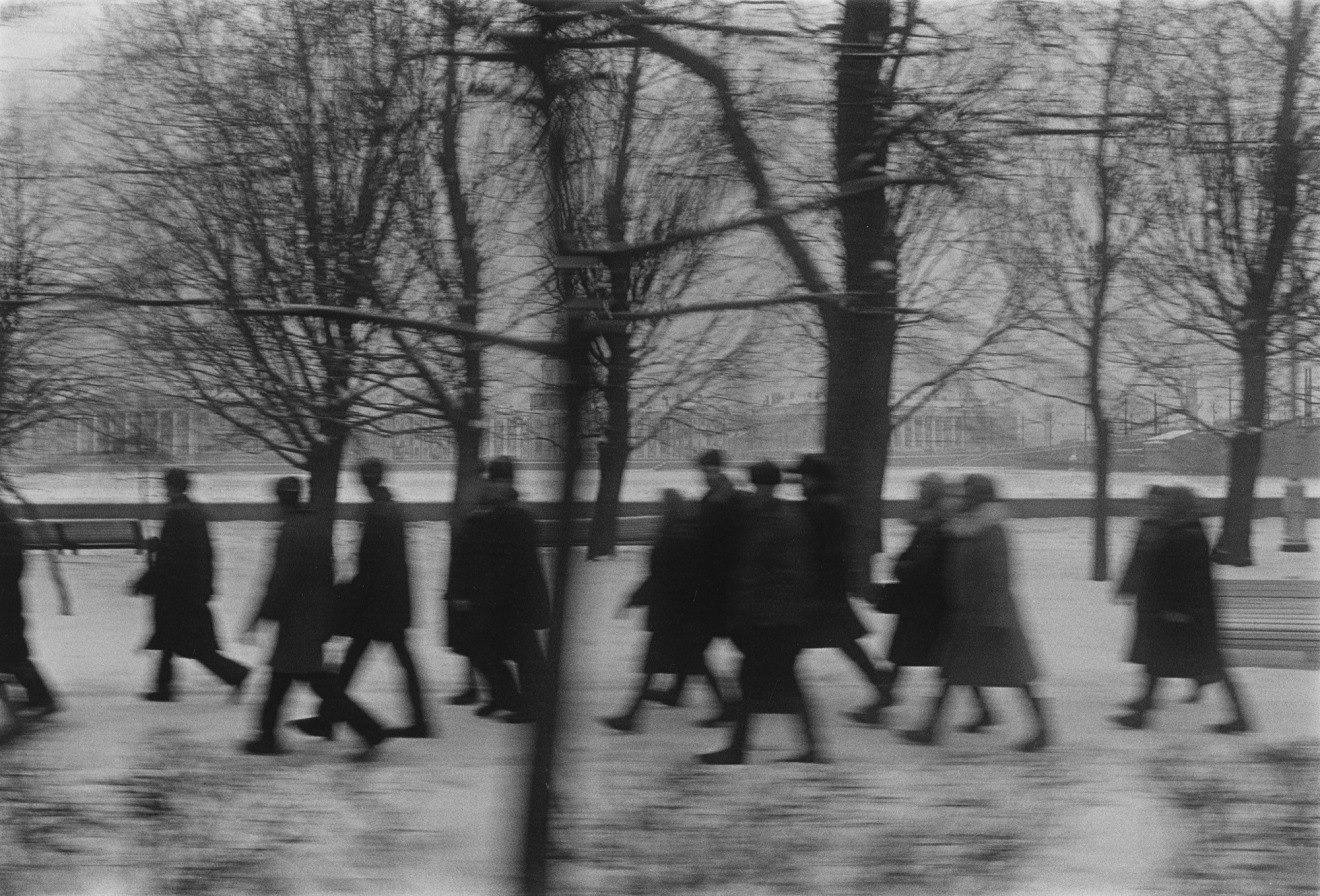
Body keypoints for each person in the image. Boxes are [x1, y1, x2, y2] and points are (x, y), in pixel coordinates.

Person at [901, 474, 1049, 752]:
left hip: (989, 617)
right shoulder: (964, 527)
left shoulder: (991, 530)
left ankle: (1043, 731)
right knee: (952, 673)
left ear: (982, 498)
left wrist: (993, 614)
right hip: (967, 615)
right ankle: (933, 728)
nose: (963, 498)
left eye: (970, 493)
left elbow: (998, 576)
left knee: (1016, 677)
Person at [243, 476, 387, 759]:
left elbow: (281, 579)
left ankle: (269, 738)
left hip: (296, 621)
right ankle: (368, 730)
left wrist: (264, 614)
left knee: (296, 680)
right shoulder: (316, 526)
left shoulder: (291, 531)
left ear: (281, 500)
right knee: (302, 680)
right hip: (313, 617)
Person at [292, 459, 431, 740]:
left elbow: (373, 563)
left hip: (378, 604)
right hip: (387, 601)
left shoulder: (378, 513)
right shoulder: (388, 509)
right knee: (372, 661)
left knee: (358, 661)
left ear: (365, 479)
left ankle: (330, 719)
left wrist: (352, 590)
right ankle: (330, 719)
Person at [699, 460, 822, 765]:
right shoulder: (779, 515)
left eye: (759, 485)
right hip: (773, 615)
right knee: (780, 682)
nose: (758, 491)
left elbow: (776, 570)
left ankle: (739, 749)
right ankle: (810, 748)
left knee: (754, 680)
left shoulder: (771, 519)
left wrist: (761, 607)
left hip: (772, 617)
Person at [1111, 486, 1250, 733]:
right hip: (1189, 615)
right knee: (1161, 662)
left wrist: (1179, 610)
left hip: (1189, 617)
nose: (1164, 508)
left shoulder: (1187, 535)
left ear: (1178, 508)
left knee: (1205, 666)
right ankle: (1143, 713)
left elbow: (1189, 579)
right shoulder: (1185, 531)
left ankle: (1241, 718)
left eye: (1170, 505)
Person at [872, 473, 992, 727]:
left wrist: (900, 567)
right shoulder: (936, 520)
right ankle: (982, 709)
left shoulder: (931, 523)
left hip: (924, 603)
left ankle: (883, 704)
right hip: (930, 602)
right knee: (932, 659)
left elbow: (923, 563)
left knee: (909, 656)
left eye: (922, 490)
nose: (918, 494)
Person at [443, 457, 549, 724]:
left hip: (513, 598)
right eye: (497, 481)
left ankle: (530, 704)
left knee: (522, 653)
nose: (499, 486)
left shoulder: (515, 515)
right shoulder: (491, 514)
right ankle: (509, 697)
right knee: (486, 648)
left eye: (504, 481)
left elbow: (524, 563)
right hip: (496, 597)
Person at [790, 454, 893, 725]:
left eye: (805, 477)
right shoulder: (827, 504)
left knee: (793, 643)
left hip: (819, 592)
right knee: (844, 643)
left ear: (815, 479)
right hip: (826, 591)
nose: (801, 482)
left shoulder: (821, 507)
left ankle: (778, 697)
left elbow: (819, 550)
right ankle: (883, 687)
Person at [136, 468, 249, 703]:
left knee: (190, 645)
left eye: (166, 486)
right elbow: (199, 551)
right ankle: (163, 687)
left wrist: (148, 576)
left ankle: (236, 673)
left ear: (173, 487)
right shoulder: (194, 512)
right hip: (190, 588)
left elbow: (172, 555)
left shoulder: (177, 514)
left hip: (178, 591)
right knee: (171, 639)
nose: (164, 490)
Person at [601, 489, 707, 733]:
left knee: (654, 666)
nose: (659, 510)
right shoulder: (679, 535)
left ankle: (630, 716)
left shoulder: (673, 537)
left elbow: (661, 578)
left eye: (662, 506)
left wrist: (637, 598)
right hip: (676, 613)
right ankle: (727, 704)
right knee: (694, 662)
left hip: (670, 614)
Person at [671, 448, 738, 726]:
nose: (706, 475)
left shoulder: (719, 501)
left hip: (717, 587)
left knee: (695, 646)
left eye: (709, 470)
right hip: (720, 585)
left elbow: (713, 545)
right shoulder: (722, 497)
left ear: (717, 469)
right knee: (695, 646)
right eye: (704, 471)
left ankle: (728, 705)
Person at [0, 501, 59, 718]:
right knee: (13, 653)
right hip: (9, 600)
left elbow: (9, 566)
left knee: (13, 653)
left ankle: (41, 698)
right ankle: (38, 698)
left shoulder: (5, 532)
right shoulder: (9, 529)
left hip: (5, 603)